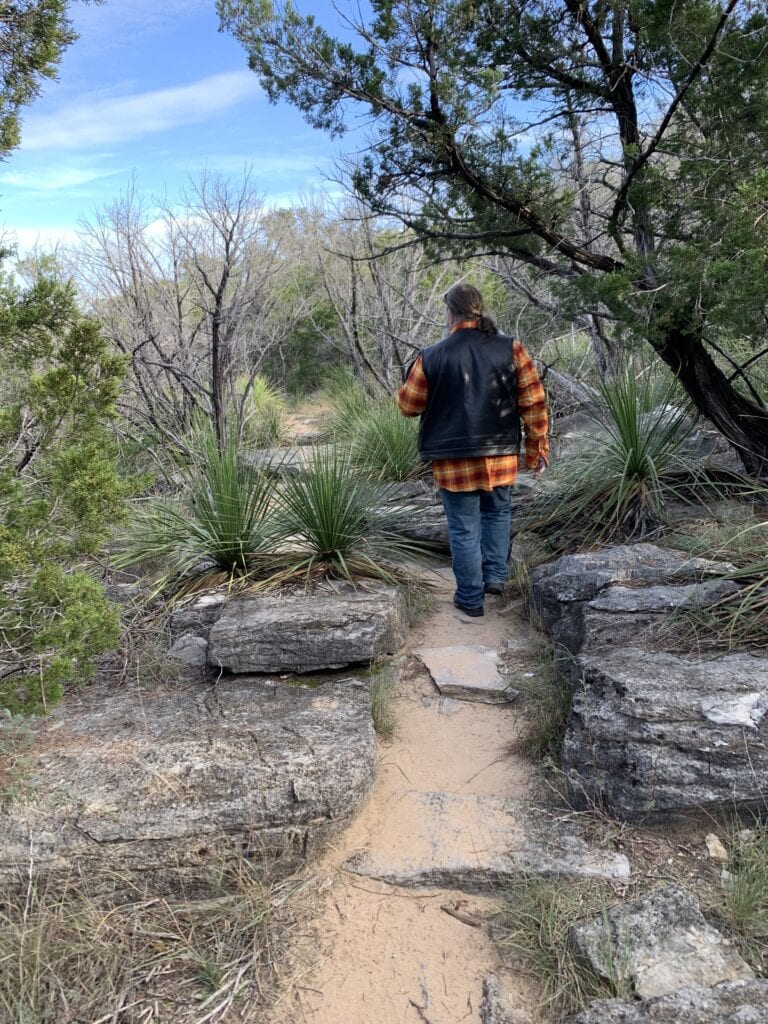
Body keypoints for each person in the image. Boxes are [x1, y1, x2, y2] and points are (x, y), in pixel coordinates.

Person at [396, 282, 548, 617]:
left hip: (452, 458)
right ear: (478, 309)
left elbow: (408, 405)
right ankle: (494, 577)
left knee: (463, 526)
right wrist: (536, 453)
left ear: (450, 312)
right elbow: (534, 403)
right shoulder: (511, 348)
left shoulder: (433, 354)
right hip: (501, 455)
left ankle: (470, 598)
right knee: (497, 512)